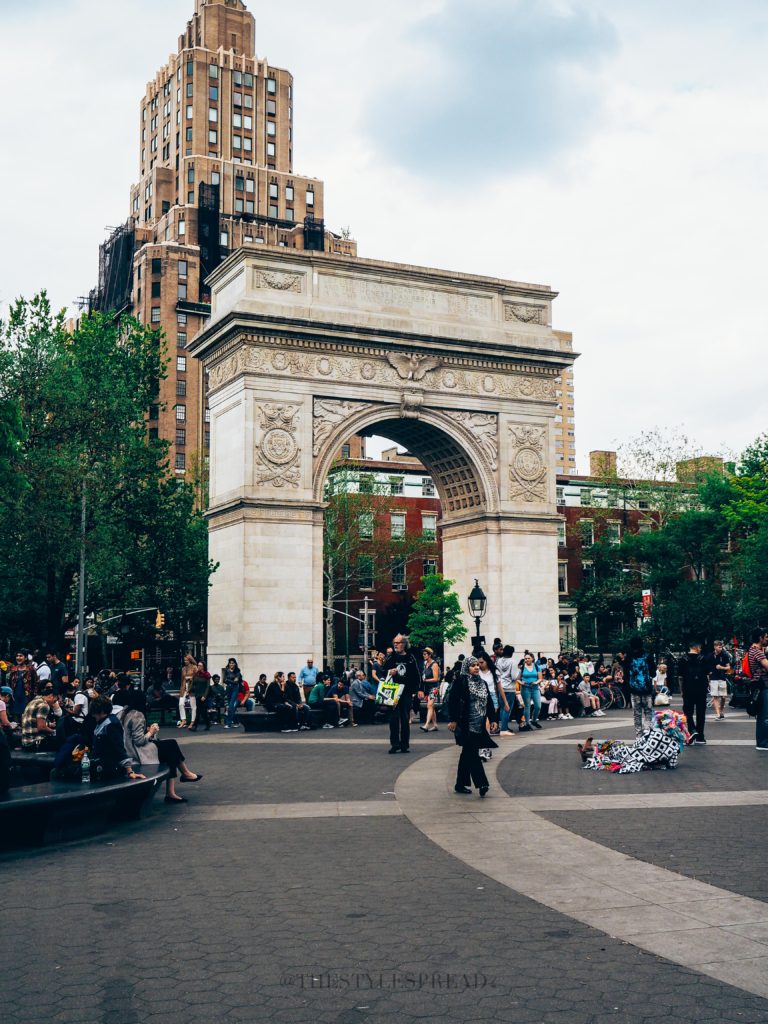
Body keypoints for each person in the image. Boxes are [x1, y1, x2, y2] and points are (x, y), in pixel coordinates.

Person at [122, 706, 202, 803]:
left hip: (130, 752)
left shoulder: (124, 713)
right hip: (137, 754)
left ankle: (178, 783)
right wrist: (151, 732)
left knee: (170, 747)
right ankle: (181, 778)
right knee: (170, 746)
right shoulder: (137, 715)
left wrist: (149, 732)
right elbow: (139, 741)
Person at [579, 710, 691, 773]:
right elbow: (672, 765)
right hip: (642, 760)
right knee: (614, 753)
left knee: (615, 746)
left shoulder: (653, 733)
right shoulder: (674, 745)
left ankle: (591, 749)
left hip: (634, 753)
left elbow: (638, 743)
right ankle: (589, 751)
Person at [448, 656, 497, 798]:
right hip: (465, 724)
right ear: (466, 668)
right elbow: (453, 701)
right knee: (472, 753)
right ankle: (482, 783)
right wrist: (453, 720)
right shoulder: (461, 682)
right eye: (472, 665)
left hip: (479, 725)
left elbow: (489, 703)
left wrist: (493, 719)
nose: (476, 667)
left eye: (477, 665)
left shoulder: (483, 683)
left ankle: (460, 784)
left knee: (467, 754)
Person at [381, 635, 422, 754]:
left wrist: (419, 689)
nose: (396, 644)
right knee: (393, 718)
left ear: (404, 644)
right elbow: (383, 672)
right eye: (394, 642)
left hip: (406, 691)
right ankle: (395, 744)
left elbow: (416, 674)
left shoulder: (410, 657)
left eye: (398, 642)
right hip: (393, 691)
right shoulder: (391, 657)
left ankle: (404, 744)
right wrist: (389, 672)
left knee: (405, 718)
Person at [89, 697, 145, 780]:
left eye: (94, 712)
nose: (93, 715)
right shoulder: (102, 721)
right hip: (100, 764)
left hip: (109, 768)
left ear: (101, 711)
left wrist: (130, 771)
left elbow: (119, 747)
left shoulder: (111, 724)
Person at [626, 637, 657, 738]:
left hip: (634, 690)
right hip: (646, 689)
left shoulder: (629, 656)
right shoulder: (648, 656)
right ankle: (647, 732)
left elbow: (626, 674)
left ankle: (638, 736)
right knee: (648, 712)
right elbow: (653, 673)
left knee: (637, 714)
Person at [678, 641, 708, 745]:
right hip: (701, 689)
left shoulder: (683, 659)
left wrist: (682, 690)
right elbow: (707, 674)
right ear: (696, 647)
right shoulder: (703, 659)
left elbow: (680, 677)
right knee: (701, 712)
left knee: (687, 711)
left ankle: (692, 729)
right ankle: (701, 737)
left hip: (688, 688)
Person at [748, 629, 768, 751]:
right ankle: (762, 743)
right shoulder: (757, 652)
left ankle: (762, 741)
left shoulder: (752, 650)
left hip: (758, 685)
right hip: (762, 685)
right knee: (764, 715)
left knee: (763, 715)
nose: (767, 639)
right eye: (766, 637)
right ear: (760, 638)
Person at [705, 640, 732, 721]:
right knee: (715, 696)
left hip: (722, 678)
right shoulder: (710, 656)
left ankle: (721, 711)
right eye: (719, 646)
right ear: (715, 646)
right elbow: (707, 667)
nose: (720, 648)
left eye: (721, 647)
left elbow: (728, 667)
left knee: (723, 696)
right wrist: (708, 674)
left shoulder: (724, 655)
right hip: (713, 678)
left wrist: (721, 667)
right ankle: (718, 714)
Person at [496, 645, 520, 736]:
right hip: (509, 688)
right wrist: (520, 671)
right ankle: (504, 729)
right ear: (512, 653)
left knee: (502, 708)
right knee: (507, 708)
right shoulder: (513, 662)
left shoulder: (499, 661)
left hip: (500, 686)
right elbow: (514, 677)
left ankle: (503, 726)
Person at [519, 653, 543, 732]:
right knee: (527, 706)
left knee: (538, 706)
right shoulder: (522, 667)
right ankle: (527, 723)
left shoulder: (536, 667)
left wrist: (536, 682)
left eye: (528, 658)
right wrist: (521, 682)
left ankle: (534, 720)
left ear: (532, 658)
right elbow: (517, 678)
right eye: (525, 659)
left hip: (535, 688)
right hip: (525, 688)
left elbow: (540, 678)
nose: (526, 660)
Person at [419, 648, 441, 733]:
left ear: (429, 655)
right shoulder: (426, 664)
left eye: (425, 654)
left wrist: (425, 680)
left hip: (434, 688)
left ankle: (427, 724)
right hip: (427, 688)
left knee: (429, 705)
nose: (423, 655)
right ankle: (435, 725)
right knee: (431, 707)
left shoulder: (434, 664)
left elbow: (436, 678)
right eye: (423, 654)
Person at [9, 652, 37, 717]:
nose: (18, 658)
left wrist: (34, 697)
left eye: (21, 656)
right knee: (15, 717)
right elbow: (10, 684)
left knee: (26, 717)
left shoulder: (31, 669)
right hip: (15, 698)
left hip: (26, 698)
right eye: (17, 656)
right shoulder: (13, 670)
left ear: (25, 658)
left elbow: (36, 684)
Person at [188, 663, 212, 731]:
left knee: (198, 711)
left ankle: (195, 726)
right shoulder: (196, 674)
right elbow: (193, 683)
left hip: (203, 695)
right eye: (198, 665)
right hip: (197, 695)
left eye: (200, 665)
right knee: (203, 711)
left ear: (203, 667)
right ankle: (208, 723)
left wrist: (204, 696)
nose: (199, 667)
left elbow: (208, 687)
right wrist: (189, 690)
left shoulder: (207, 675)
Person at [223, 658, 243, 729]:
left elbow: (236, 682)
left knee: (231, 706)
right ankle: (236, 721)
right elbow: (224, 680)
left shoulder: (237, 671)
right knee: (230, 706)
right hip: (229, 689)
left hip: (235, 688)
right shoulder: (226, 670)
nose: (231, 664)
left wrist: (228, 680)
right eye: (230, 663)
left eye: (233, 663)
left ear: (235, 664)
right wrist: (231, 680)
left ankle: (228, 723)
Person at [178, 654, 197, 729]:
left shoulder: (194, 667)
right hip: (184, 686)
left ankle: (192, 721)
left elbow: (197, 677)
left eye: (186, 660)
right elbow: (182, 679)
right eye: (184, 660)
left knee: (193, 706)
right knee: (181, 703)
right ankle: (183, 720)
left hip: (192, 687)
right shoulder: (183, 668)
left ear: (190, 660)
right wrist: (181, 689)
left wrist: (191, 678)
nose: (185, 661)